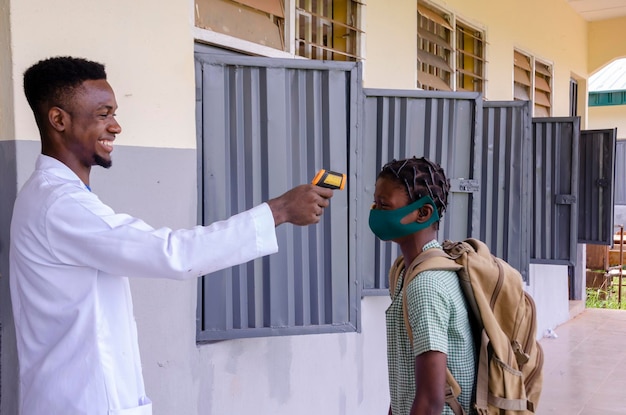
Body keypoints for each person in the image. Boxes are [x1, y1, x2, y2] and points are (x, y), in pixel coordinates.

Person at [9, 56, 334, 415]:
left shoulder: (54, 198)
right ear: (59, 120)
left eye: (113, 113)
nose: (115, 127)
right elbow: (173, 253)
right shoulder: (60, 205)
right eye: (103, 114)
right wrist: (278, 211)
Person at [368, 157, 476, 415]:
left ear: (423, 213)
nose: (375, 212)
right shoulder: (406, 271)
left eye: (384, 206)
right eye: (375, 203)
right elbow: (407, 380)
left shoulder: (426, 285)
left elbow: (430, 402)